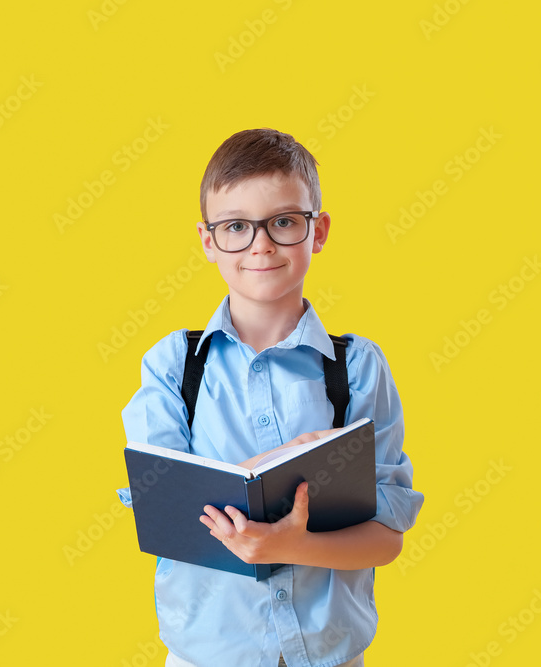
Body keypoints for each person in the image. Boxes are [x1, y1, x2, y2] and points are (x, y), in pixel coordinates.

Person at [118, 128, 423, 667]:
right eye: (236, 226)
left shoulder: (357, 368)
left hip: (331, 654)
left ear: (318, 230)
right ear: (208, 241)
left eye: (283, 222)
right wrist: (286, 458)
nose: (260, 245)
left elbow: (386, 536)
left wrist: (290, 546)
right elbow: (162, 511)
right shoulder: (171, 365)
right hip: (207, 655)